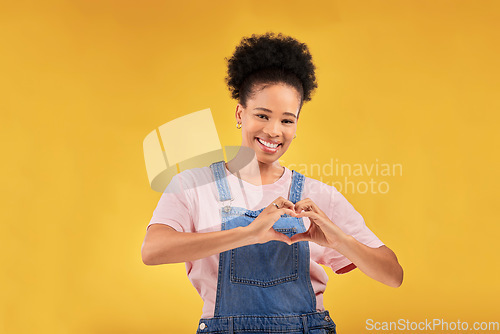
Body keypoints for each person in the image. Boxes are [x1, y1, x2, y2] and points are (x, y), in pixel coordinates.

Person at [141, 32, 403, 334]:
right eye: (262, 115)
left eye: (287, 120)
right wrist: (248, 233)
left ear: (296, 125)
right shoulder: (193, 185)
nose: (274, 131)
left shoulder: (318, 196)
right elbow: (153, 250)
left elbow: (392, 274)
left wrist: (337, 239)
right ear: (240, 113)